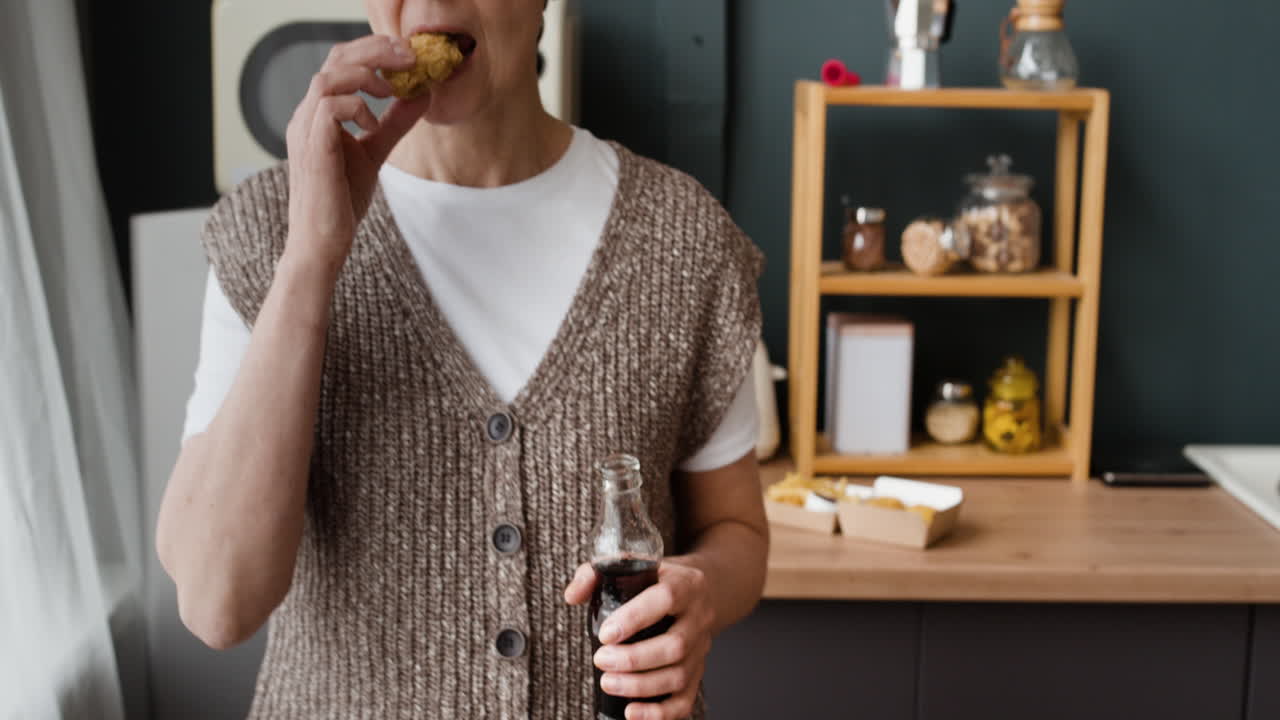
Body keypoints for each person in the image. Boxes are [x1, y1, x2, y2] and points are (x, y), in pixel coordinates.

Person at [156, 1, 768, 718]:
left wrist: (700, 591)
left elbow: (737, 532)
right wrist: (311, 259)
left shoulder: (685, 241)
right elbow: (217, 604)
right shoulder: (269, 230)